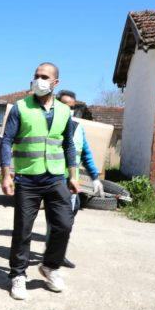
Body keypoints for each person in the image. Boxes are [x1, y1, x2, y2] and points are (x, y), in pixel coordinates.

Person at [0, 62, 79, 300]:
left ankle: (50, 266)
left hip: (56, 177)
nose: (38, 80)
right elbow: (6, 141)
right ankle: (18, 275)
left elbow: (68, 145)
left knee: (64, 224)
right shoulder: (20, 108)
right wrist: (6, 174)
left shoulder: (65, 111)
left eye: (44, 76)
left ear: (56, 82)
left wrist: (73, 175)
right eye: (36, 76)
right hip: (27, 178)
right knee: (23, 229)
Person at [53, 90, 104, 269]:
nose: (69, 110)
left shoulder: (78, 128)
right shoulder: (50, 125)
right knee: (57, 221)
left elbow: (86, 154)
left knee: (67, 221)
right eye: (65, 106)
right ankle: (52, 256)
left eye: (72, 107)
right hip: (54, 181)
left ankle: (58, 254)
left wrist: (95, 177)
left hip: (71, 182)